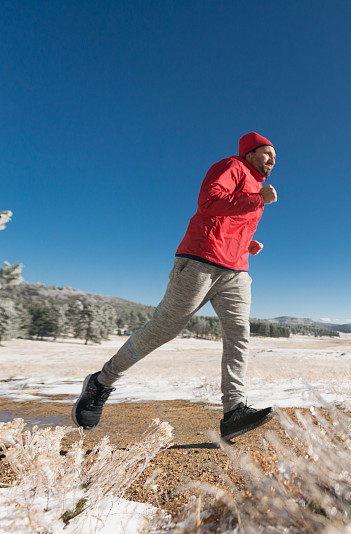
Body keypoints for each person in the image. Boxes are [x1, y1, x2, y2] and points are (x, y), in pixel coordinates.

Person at [72, 132, 278, 441]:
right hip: (199, 262)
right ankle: (101, 382)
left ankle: (234, 410)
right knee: (163, 328)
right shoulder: (231, 167)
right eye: (266, 153)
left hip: (235, 271)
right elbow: (209, 203)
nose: (272, 160)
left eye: (275, 157)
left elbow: (227, 222)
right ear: (249, 153)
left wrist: (247, 243)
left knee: (239, 336)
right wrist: (258, 199)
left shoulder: (256, 186)